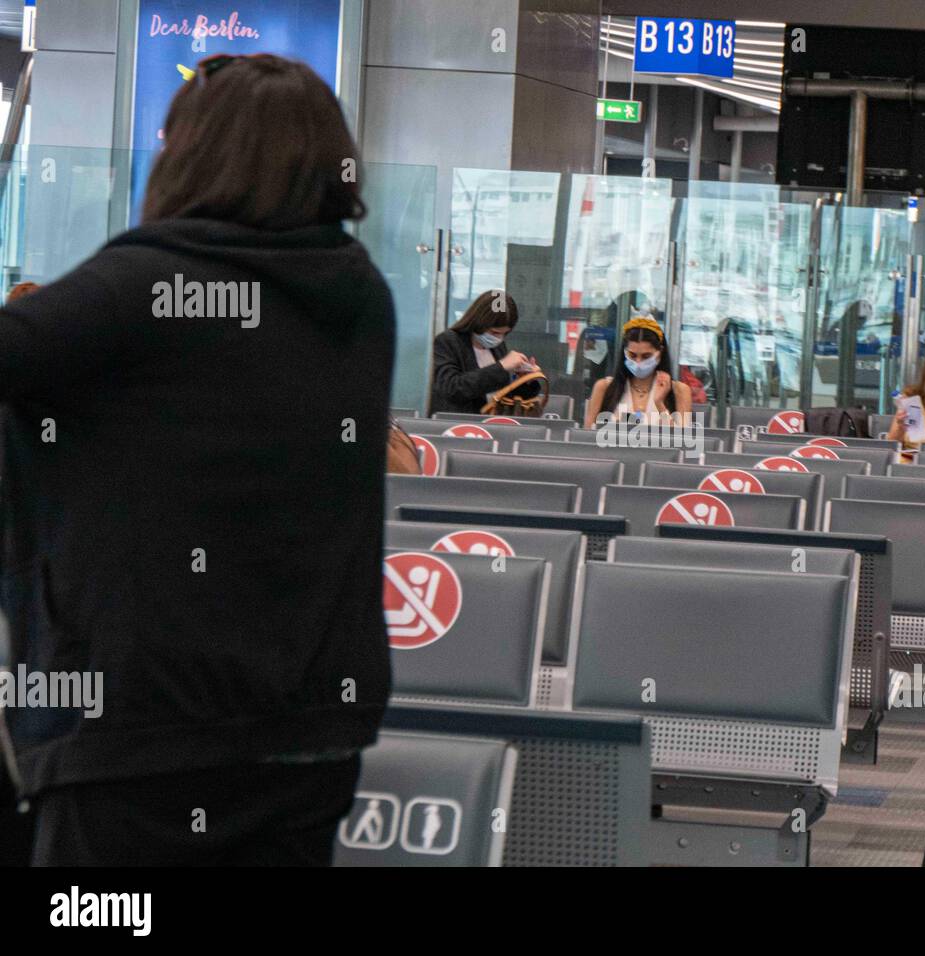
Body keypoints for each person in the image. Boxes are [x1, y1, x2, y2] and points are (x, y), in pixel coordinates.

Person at [0, 53, 394, 865]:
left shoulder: (141, 287)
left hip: (140, 742)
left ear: (192, 156)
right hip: (309, 738)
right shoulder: (360, 298)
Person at [430, 290, 540, 414]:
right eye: (495, 332)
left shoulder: (497, 347)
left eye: (505, 333)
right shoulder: (448, 341)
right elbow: (451, 389)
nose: (499, 338)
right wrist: (501, 366)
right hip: (460, 424)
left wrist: (524, 381)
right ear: (479, 322)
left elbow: (501, 395)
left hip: (492, 423)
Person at [584, 315, 693, 427]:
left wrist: (660, 404)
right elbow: (587, 436)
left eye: (646, 356)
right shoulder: (604, 388)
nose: (638, 362)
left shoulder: (679, 391)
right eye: (632, 355)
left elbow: (682, 441)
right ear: (625, 352)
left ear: (660, 353)